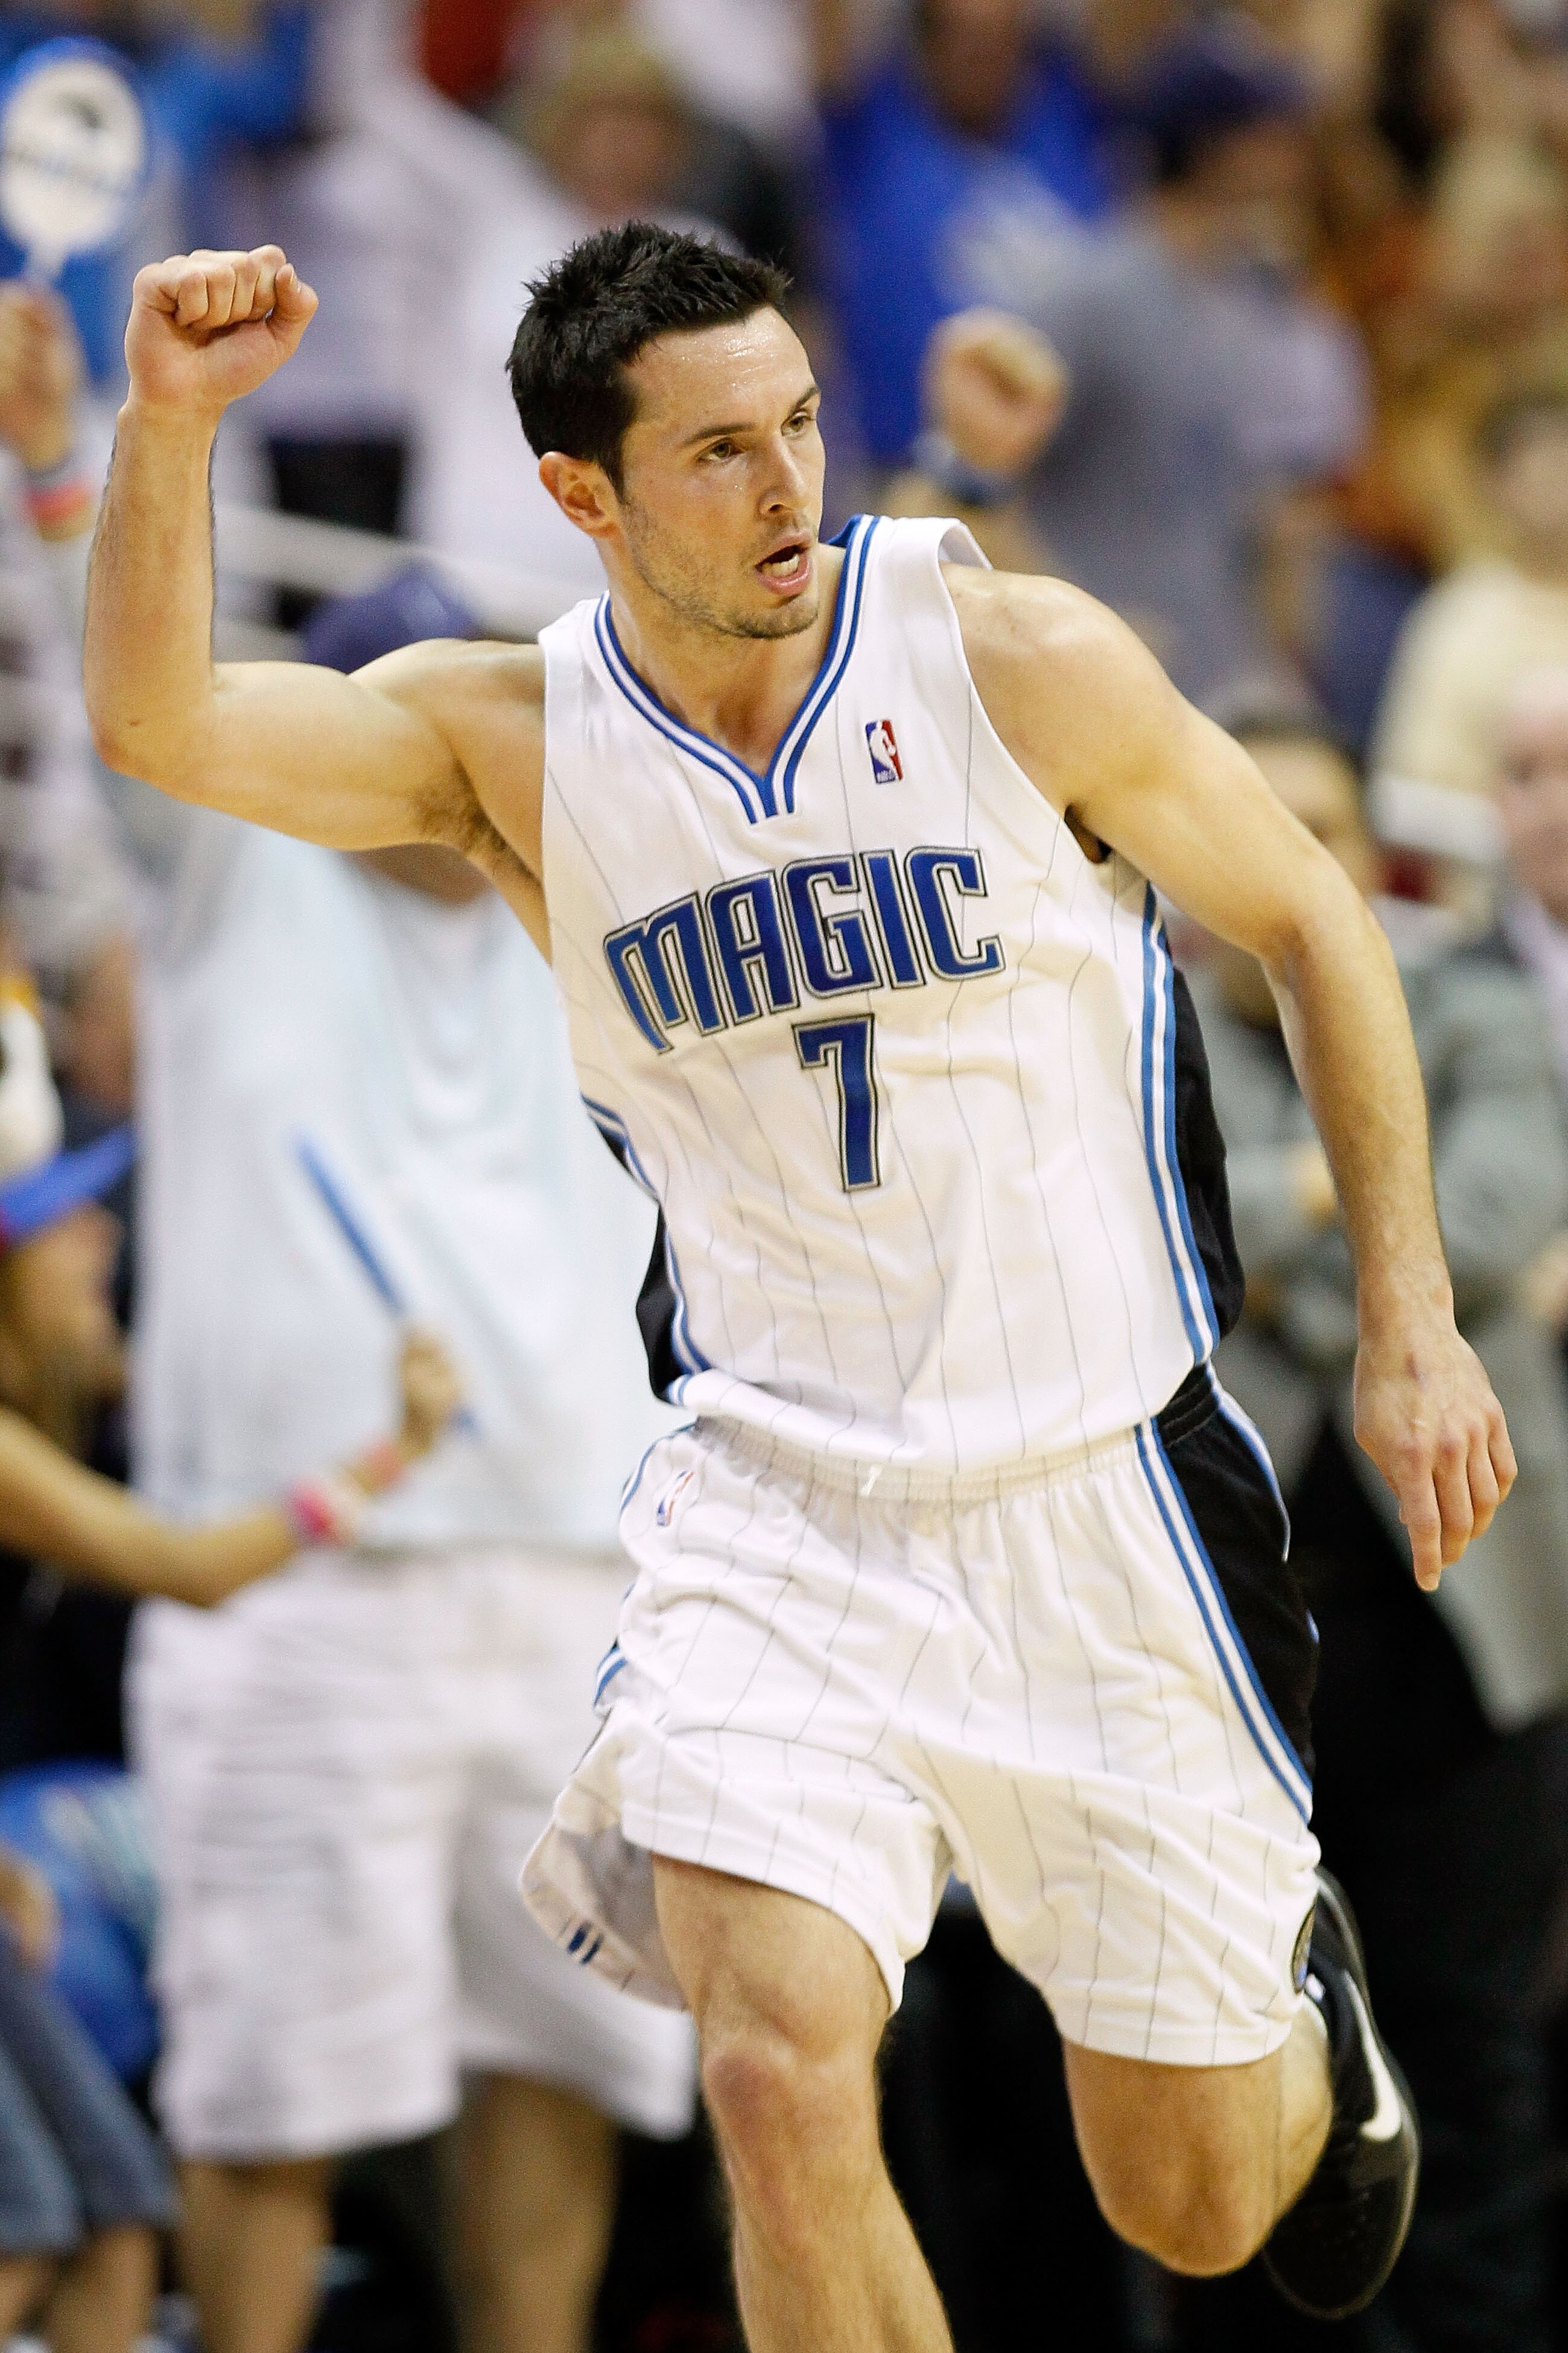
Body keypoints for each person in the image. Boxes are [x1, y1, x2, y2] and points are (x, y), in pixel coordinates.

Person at [82, 224, 1518, 2351]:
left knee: (1201, 2205)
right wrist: (169, 423)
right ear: (580, 493)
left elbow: (1315, 918)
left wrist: (1413, 1320)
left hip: (1101, 1483)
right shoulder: (515, 740)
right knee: (766, 2071)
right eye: (721, 453)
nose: (790, 489)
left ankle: (1301, 1981)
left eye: (803, 427)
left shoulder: (1011, 657)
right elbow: (162, 718)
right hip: (776, 1505)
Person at [2, 286, 698, 2353]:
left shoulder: (598, 888)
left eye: (461, 711)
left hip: (586, 1577)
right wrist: (79, 457)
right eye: (385, 717)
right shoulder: (231, 861)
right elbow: (115, 668)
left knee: (567, 2072)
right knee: (268, 2099)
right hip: (303, 1592)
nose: (425, 751)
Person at [1188, 704, 1568, 2353]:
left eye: (1323, 827)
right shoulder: (1131, 1036)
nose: (1289, 858)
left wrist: (1285, 1217)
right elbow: (1174, 1256)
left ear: (1369, 857)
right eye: (1248, 819)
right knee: (1255, 2065)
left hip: (1472, 1636)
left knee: (1471, 2050)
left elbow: (1484, 1220)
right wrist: (1367, 1193)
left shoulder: (1477, 1005)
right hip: (1246, 1649)